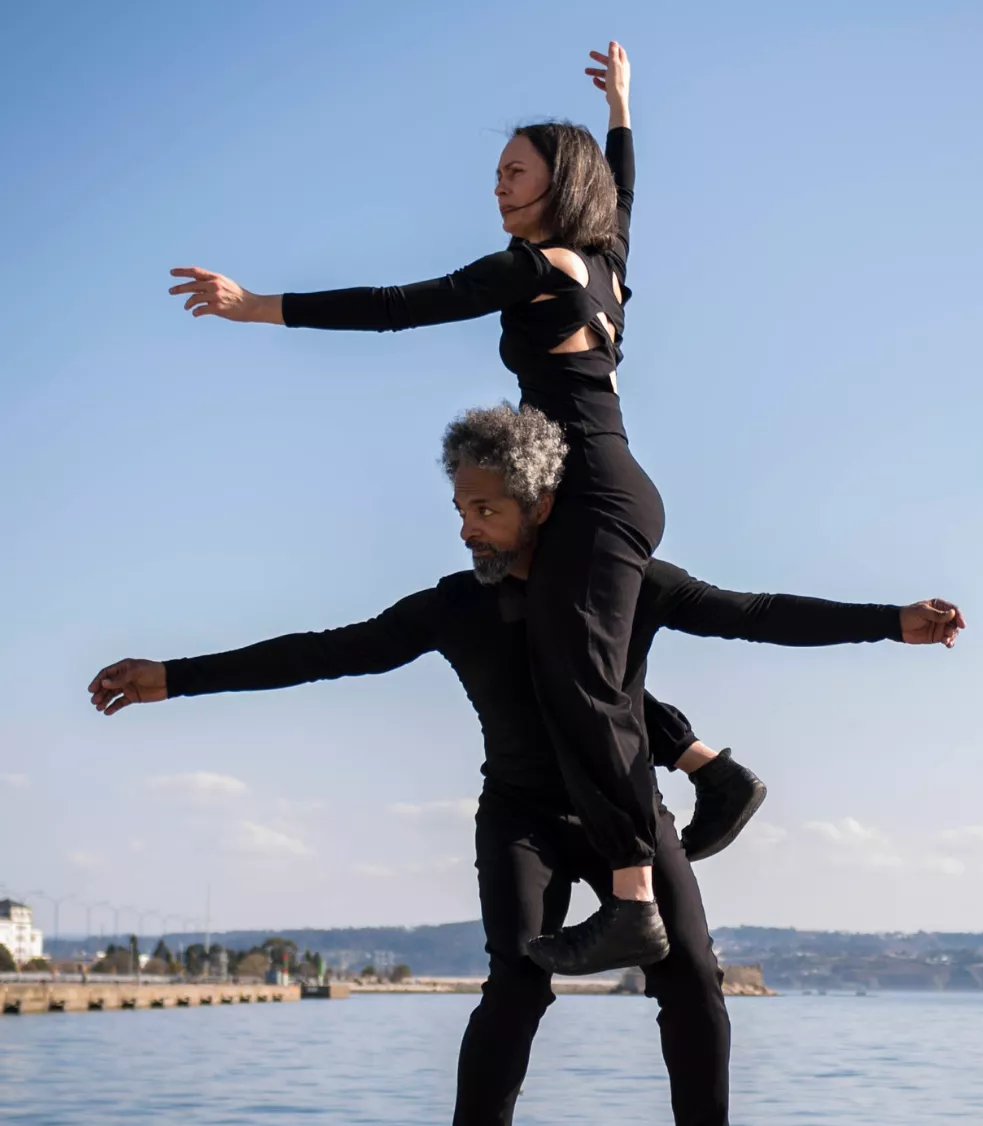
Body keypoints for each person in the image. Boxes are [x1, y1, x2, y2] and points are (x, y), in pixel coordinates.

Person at [89, 403, 965, 1126]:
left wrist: (890, 622)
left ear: (540, 502)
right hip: (521, 819)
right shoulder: (454, 606)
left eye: (486, 510)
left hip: (624, 811)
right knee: (517, 978)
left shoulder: (624, 584)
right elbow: (327, 652)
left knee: (694, 982)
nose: (467, 526)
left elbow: (753, 612)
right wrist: (174, 677)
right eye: (461, 508)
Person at [168, 42, 682, 971]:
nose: (497, 187)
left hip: (595, 495)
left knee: (583, 685)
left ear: (558, 183)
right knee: (580, 677)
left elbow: (403, 304)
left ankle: (636, 896)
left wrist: (258, 309)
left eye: (513, 173)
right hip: (605, 488)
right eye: (494, 174)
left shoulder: (538, 268)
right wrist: (623, 111)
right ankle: (672, 830)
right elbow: (628, 193)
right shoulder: (605, 261)